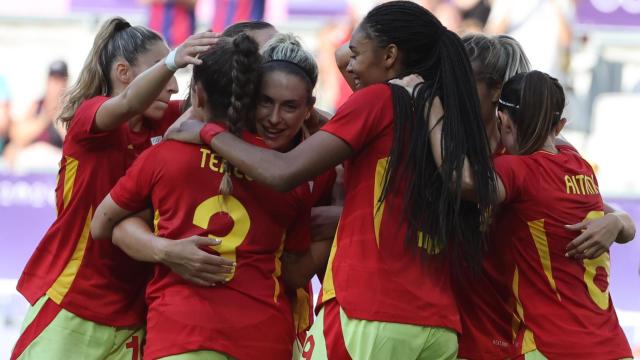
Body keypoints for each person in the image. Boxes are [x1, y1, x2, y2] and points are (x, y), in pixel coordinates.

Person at [168, 2, 497, 358]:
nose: (348, 63)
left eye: (357, 52)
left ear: (390, 55)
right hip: (437, 326)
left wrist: (207, 132)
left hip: (370, 314)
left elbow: (281, 172)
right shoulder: (438, 108)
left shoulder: (379, 100)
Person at [91, 32, 319, 360]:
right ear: (254, 97)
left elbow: (103, 225)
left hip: (181, 335)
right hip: (263, 339)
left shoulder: (163, 157)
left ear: (197, 95)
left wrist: (165, 250)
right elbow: (295, 270)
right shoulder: (293, 177)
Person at [10, 17, 216, 360]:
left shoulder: (162, 119)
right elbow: (127, 104)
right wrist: (172, 61)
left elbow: (220, 108)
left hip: (135, 313)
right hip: (73, 302)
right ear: (123, 73)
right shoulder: (89, 119)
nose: (172, 88)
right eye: (160, 73)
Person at [449, 33, 637, 359]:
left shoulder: (526, 162)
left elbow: (464, 183)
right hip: (478, 327)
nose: (453, 93)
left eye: (462, 82)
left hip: (534, 337)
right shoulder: (477, 151)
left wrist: (616, 222)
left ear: (497, 96)